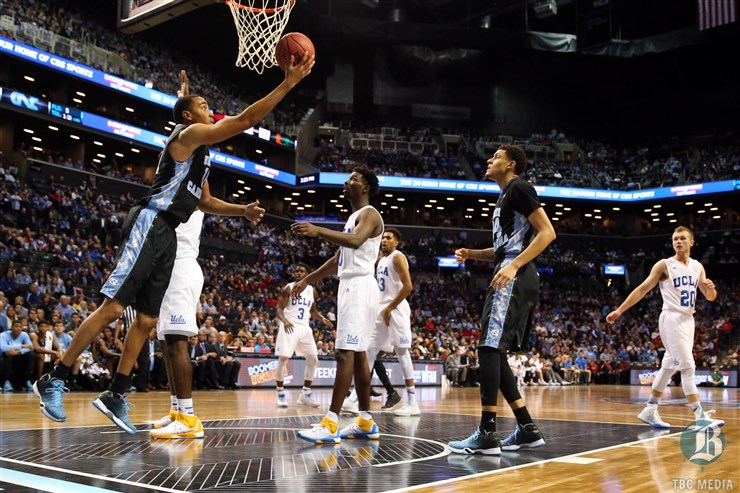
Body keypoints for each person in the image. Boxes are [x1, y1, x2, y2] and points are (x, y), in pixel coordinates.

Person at [34, 58, 314, 430]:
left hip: (169, 234)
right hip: (151, 223)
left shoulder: (200, 153)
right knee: (114, 307)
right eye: (202, 107)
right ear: (186, 116)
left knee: (148, 319)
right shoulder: (185, 137)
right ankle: (55, 377)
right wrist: (288, 83)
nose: (210, 111)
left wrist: (242, 210)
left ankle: (116, 393)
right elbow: (245, 121)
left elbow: (205, 202)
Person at [448, 144, 556, 455]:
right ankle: (526, 428)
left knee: (488, 347)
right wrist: (472, 254)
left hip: (515, 275)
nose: (488, 160)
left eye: (495, 157)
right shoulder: (504, 196)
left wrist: (514, 265)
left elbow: (548, 232)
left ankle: (487, 432)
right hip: (509, 270)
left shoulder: (518, 187)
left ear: (510, 164)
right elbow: (500, 251)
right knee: (495, 350)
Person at [291, 167, 384, 444]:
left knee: (345, 353)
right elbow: (336, 260)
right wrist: (308, 279)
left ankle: (331, 424)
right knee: (358, 358)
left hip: (359, 286)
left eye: (354, 179)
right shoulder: (353, 218)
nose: (347, 182)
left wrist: (318, 230)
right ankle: (366, 421)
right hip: (351, 286)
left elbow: (355, 242)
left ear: (366, 187)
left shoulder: (369, 214)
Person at [606, 226, 724, 429]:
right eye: (675, 239)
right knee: (688, 367)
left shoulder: (697, 267)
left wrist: (712, 289)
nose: (678, 241)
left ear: (691, 242)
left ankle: (650, 409)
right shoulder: (664, 265)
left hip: (688, 320)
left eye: (682, 238)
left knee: (668, 367)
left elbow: (710, 297)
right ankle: (700, 416)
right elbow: (643, 288)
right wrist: (620, 310)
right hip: (671, 318)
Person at [343, 228, 417, 415]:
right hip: (381, 309)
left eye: (388, 238)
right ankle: (353, 399)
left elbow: (408, 286)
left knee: (402, 352)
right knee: (369, 350)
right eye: (383, 237)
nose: (384, 240)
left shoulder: (398, 257)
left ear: (396, 243)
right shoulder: (381, 260)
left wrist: (390, 307)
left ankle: (413, 402)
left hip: (396, 309)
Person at [274, 262, 333, 408]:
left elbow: (313, 311)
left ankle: (305, 394)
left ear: (307, 274)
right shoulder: (288, 287)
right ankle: (280, 394)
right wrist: (285, 321)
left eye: (302, 271)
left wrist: (322, 318)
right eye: (297, 271)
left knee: (313, 359)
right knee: (283, 359)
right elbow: (279, 309)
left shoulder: (312, 291)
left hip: (305, 327)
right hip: (290, 325)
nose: (299, 273)